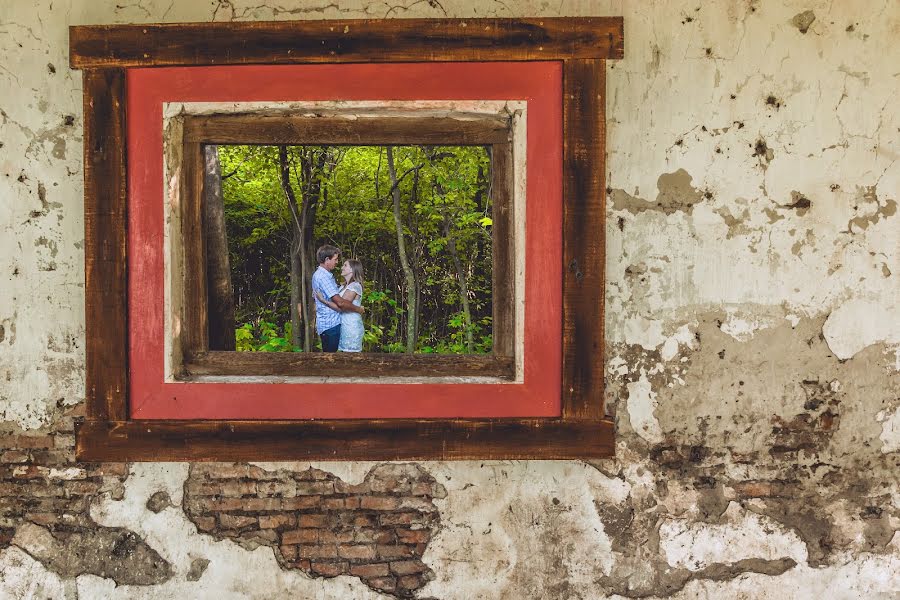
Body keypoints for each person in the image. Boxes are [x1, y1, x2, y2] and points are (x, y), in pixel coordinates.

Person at [309, 245, 363, 352]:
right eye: (335, 259)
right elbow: (341, 305)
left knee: (341, 357)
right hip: (330, 325)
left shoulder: (328, 277)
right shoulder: (324, 277)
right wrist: (359, 309)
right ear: (327, 260)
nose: (338, 263)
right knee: (332, 359)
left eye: (345, 265)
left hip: (341, 324)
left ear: (352, 270)